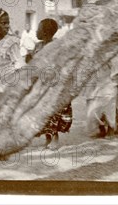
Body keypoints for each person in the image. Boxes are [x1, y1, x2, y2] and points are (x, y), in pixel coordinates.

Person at [32, 18, 73, 149]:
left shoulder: (58, 46)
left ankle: (54, 137)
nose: (36, 31)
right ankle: (48, 137)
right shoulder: (37, 46)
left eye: (38, 29)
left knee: (54, 112)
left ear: (45, 32)